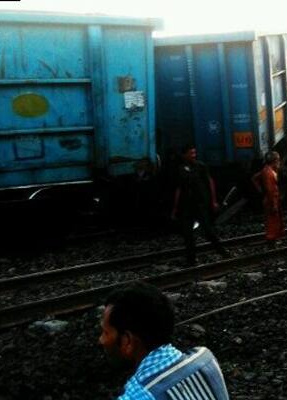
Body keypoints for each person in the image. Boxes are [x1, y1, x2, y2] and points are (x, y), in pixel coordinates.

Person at [99, 283, 230, 400]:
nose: (101, 340)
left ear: (127, 341)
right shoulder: (206, 359)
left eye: (105, 332)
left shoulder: (135, 396)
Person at [172, 145, 229, 265]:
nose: (194, 155)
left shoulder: (200, 166)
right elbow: (178, 189)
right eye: (191, 153)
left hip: (200, 204)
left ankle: (222, 252)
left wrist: (213, 201)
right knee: (188, 234)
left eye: (194, 153)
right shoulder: (180, 169)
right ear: (184, 155)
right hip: (187, 205)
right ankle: (191, 260)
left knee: (208, 230)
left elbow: (210, 182)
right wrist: (175, 208)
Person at [251, 151, 284, 247]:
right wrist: (274, 204)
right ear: (275, 161)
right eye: (278, 160)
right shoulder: (269, 173)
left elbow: (254, 178)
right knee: (272, 220)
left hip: (269, 198)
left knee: (272, 219)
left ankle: (272, 239)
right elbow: (270, 190)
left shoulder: (266, 169)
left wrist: (260, 190)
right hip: (271, 200)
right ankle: (271, 241)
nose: (279, 162)